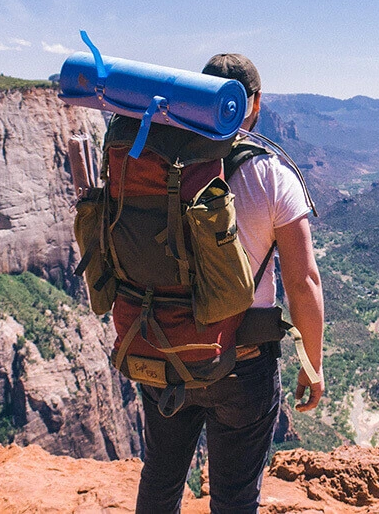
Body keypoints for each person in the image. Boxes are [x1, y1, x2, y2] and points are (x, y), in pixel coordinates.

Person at [135, 54, 326, 514]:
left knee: (160, 479)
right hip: (243, 363)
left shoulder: (155, 161)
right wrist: (312, 365)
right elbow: (303, 283)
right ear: (253, 105)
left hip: (166, 348)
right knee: (236, 499)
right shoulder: (272, 176)